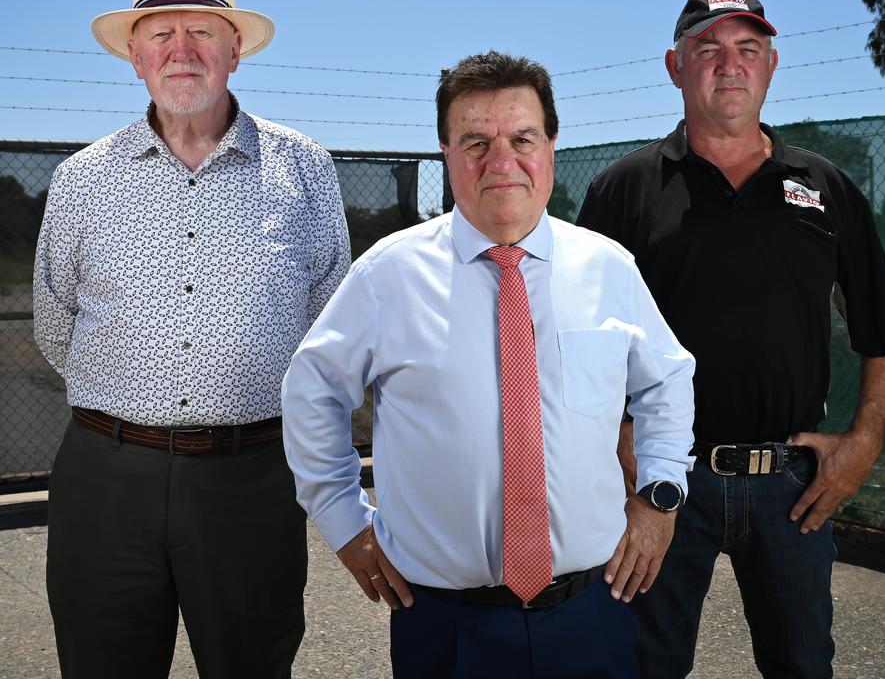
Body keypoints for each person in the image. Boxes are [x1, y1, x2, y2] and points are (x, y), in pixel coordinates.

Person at [281, 50, 696, 679]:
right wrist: (344, 523)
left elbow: (667, 379)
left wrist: (660, 497)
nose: (501, 162)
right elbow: (311, 392)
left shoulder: (609, 267)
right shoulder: (388, 274)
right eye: (474, 141)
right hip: (443, 625)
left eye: (522, 137)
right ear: (447, 154)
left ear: (551, 145)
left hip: (593, 611)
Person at [577, 0, 885, 678]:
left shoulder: (824, 187)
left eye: (747, 49)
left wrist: (864, 443)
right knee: (641, 666)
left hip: (790, 487)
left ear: (771, 65)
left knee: (801, 665)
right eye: (708, 49)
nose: (729, 65)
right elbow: (577, 339)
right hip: (661, 482)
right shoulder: (626, 188)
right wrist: (617, 439)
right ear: (676, 65)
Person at [33, 0, 351, 678]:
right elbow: (56, 326)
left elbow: (329, 323)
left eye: (202, 32)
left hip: (253, 481)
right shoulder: (80, 180)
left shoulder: (305, 169)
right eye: (162, 34)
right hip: (104, 480)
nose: (182, 49)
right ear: (135, 57)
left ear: (234, 50)